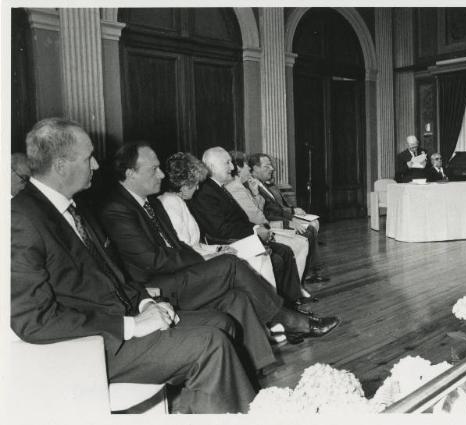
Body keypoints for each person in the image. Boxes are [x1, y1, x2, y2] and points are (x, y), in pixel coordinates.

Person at [11, 118, 256, 413]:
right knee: (210, 343)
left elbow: (115, 276)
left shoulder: (77, 207)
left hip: (123, 320)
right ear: (61, 165)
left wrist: (144, 304)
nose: (97, 166)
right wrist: (130, 325)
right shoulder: (21, 219)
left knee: (223, 322)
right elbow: (33, 321)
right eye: (89, 157)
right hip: (89, 346)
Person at [100, 142, 339, 357]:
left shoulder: (149, 203)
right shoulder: (117, 208)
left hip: (175, 273)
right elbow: (153, 260)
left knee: (236, 297)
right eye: (154, 169)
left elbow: (176, 245)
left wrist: (208, 254)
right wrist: (205, 259)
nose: (161, 174)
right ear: (130, 173)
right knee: (231, 265)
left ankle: (256, 365)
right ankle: (289, 320)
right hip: (154, 286)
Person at [188, 147, 318, 305]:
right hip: (229, 242)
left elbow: (242, 218)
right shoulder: (207, 192)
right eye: (227, 163)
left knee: (284, 251)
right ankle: (280, 307)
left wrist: (256, 229)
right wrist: (255, 230)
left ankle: (290, 302)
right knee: (279, 255)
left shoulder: (218, 187)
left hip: (242, 235)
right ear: (212, 167)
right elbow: (221, 229)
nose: (232, 167)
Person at [158, 152, 277, 287]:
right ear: (185, 184)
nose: (197, 188)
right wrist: (217, 254)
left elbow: (196, 245)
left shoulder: (180, 201)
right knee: (257, 258)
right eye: (195, 184)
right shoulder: (170, 203)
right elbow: (183, 251)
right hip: (192, 268)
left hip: (202, 256)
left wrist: (218, 248)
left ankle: (267, 305)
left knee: (260, 253)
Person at [226, 150, 310, 281]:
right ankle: (294, 288)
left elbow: (261, 210)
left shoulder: (248, 185)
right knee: (298, 243)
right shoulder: (237, 187)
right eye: (247, 165)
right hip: (257, 231)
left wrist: (255, 195)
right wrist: (284, 222)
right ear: (239, 167)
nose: (249, 168)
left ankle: (297, 285)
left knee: (301, 239)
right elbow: (259, 217)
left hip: (264, 226)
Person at [247, 153, 329, 283]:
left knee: (310, 227)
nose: (272, 169)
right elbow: (266, 214)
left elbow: (278, 208)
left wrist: (292, 218)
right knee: (308, 231)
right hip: (271, 225)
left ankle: (313, 271)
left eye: (271, 166)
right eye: (266, 166)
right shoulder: (251, 187)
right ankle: (306, 274)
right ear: (254, 168)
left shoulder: (264, 185)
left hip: (281, 220)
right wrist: (289, 222)